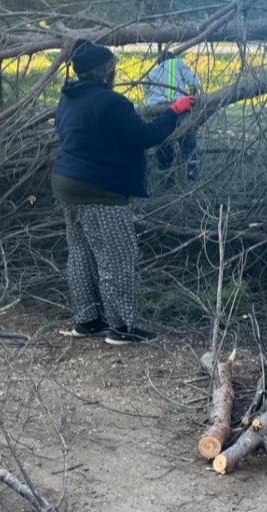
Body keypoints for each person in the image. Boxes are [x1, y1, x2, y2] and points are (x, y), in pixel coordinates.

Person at [52, 40, 196, 345]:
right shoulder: (112, 102)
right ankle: (121, 328)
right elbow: (145, 136)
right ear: (104, 72)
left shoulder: (68, 99)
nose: (114, 72)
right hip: (100, 189)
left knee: (80, 253)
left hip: (66, 182)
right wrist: (173, 112)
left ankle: (87, 321)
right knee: (116, 257)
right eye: (112, 68)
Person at [144, 51, 202, 182]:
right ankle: (192, 175)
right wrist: (193, 96)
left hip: (157, 111)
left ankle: (166, 179)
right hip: (178, 107)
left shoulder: (151, 73)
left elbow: (146, 94)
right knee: (188, 141)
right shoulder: (177, 63)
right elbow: (194, 82)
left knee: (164, 145)